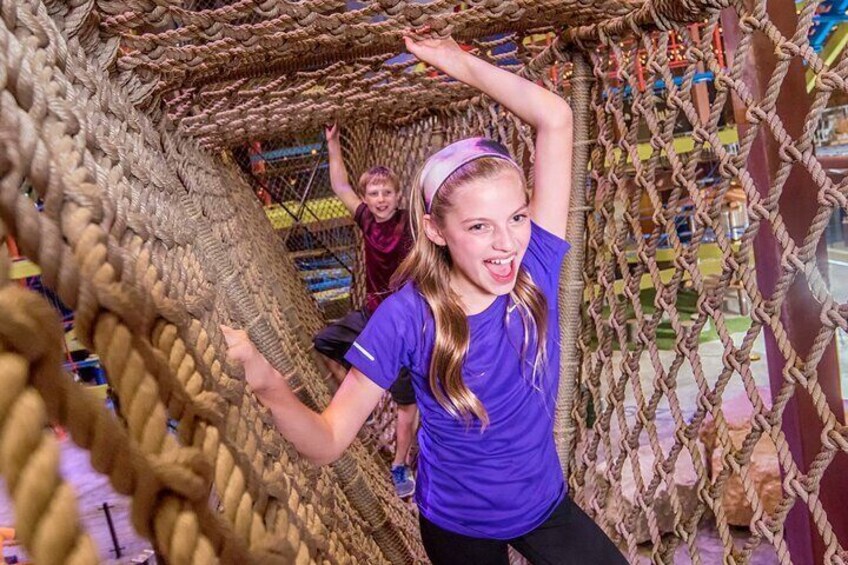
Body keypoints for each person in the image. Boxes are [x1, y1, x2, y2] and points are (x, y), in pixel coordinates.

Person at [223, 36, 625, 564]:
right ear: (435, 230)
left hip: (544, 506)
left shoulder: (535, 268)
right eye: (480, 226)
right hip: (458, 526)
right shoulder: (405, 318)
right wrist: (267, 382)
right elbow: (326, 441)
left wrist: (462, 64)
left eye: (517, 217)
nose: (507, 243)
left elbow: (554, 118)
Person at [311, 123, 418, 498]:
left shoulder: (410, 222)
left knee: (407, 404)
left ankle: (401, 466)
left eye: (387, 192)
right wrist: (333, 143)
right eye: (374, 193)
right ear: (367, 199)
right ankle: (365, 395)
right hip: (374, 314)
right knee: (324, 341)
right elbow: (340, 186)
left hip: (405, 321)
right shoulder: (365, 219)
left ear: (397, 194)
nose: (381, 199)